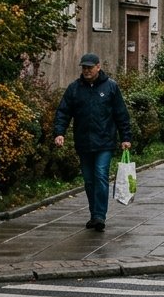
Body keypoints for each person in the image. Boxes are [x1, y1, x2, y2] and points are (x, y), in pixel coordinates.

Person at [53, 53, 132, 232]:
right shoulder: (74, 89)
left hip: (104, 142)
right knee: (89, 181)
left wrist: (126, 137)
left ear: (98, 67)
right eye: (84, 67)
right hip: (84, 142)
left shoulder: (111, 87)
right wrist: (60, 132)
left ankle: (100, 216)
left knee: (101, 174)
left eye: (90, 67)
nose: (87, 70)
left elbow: (121, 114)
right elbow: (63, 112)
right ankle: (93, 213)